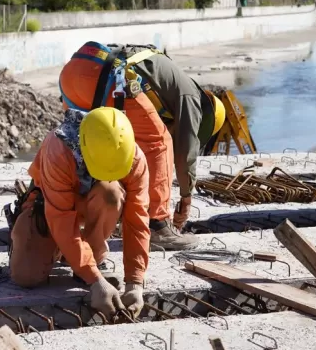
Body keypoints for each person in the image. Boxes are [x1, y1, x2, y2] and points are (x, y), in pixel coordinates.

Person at [60, 42, 224, 249]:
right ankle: (157, 224)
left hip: (73, 72)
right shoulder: (190, 96)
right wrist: (186, 196)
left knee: (81, 142)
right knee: (160, 142)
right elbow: (185, 151)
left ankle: (58, 212)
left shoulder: (163, 82)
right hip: (111, 79)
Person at [9, 107, 149, 319]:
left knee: (111, 193)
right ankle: (64, 252)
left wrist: (135, 283)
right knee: (25, 276)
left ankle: (89, 255)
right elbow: (61, 220)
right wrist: (95, 280)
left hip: (91, 204)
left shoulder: (134, 158)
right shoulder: (59, 149)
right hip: (49, 207)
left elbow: (137, 221)